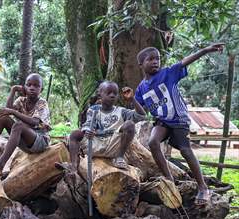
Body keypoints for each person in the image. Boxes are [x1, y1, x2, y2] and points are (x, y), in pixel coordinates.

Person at [135, 43, 224, 205]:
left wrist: (205, 50)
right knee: (153, 142)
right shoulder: (141, 88)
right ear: (141, 64)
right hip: (162, 121)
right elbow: (141, 111)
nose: (155, 62)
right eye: (151, 59)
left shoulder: (168, 73)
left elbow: (185, 61)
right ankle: (169, 178)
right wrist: (131, 100)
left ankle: (203, 187)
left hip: (178, 119)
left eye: (158, 59)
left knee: (185, 150)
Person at [0, 73, 51, 174]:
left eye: (36, 85)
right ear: (24, 87)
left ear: (41, 89)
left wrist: (13, 112)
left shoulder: (42, 103)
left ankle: (0, 164)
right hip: (25, 141)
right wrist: (13, 90)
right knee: (3, 118)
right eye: (28, 85)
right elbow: (8, 110)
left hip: (40, 141)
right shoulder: (21, 100)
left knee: (18, 125)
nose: (32, 88)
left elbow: (34, 122)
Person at [67, 81, 145, 171]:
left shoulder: (121, 111)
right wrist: (88, 131)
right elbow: (88, 124)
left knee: (130, 125)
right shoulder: (93, 109)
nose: (112, 95)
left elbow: (141, 116)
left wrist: (132, 99)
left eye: (115, 93)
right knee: (74, 134)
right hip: (95, 145)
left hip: (114, 146)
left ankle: (119, 158)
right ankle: (73, 165)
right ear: (100, 95)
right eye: (109, 93)